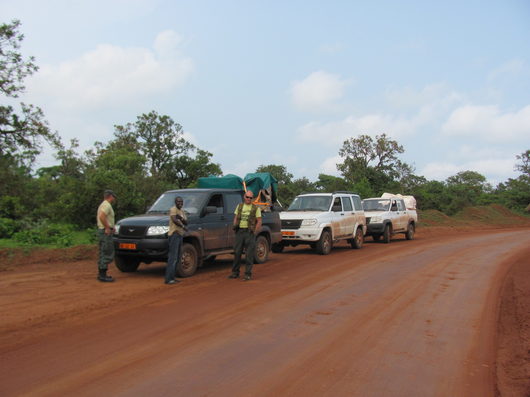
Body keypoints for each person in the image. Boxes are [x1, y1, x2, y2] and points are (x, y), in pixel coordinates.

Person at [228, 191, 262, 281]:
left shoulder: (255, 208)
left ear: (252, 198)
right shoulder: (239, 206)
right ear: (244, 197)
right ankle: (235, 272)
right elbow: (235, 217)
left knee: (249, 254)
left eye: (251, 198)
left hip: (249, 232)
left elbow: (259, 220)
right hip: (240, 231)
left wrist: (254, 232)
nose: (248, 199)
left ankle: (247, 274)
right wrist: (234, 226)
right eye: (247, 197)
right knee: (237, 252)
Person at [165, 196, 187, 284]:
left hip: (180, 235)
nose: (180, 203)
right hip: (174, 234)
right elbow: (174, 220)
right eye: (178, 201)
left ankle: (172, 277)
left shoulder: (182, 212)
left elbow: (186, 221)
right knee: (173, 257)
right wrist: (182, 225)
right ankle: (168, 279)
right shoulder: (173, 209)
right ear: (175, 202)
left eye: (181, 201)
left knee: (177, 257)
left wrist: (180, 218)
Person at [97, 190, 117, 282]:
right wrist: (107, 228)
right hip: (105, 232)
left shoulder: (103, 204)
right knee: (107, 251)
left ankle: (101, 273)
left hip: (103, 230)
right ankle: (103, 275)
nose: (114, 198)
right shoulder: (107, 205)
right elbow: (102, 216)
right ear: (111, 196)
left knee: (103, 251)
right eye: (114, 196)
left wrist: (111, 228)